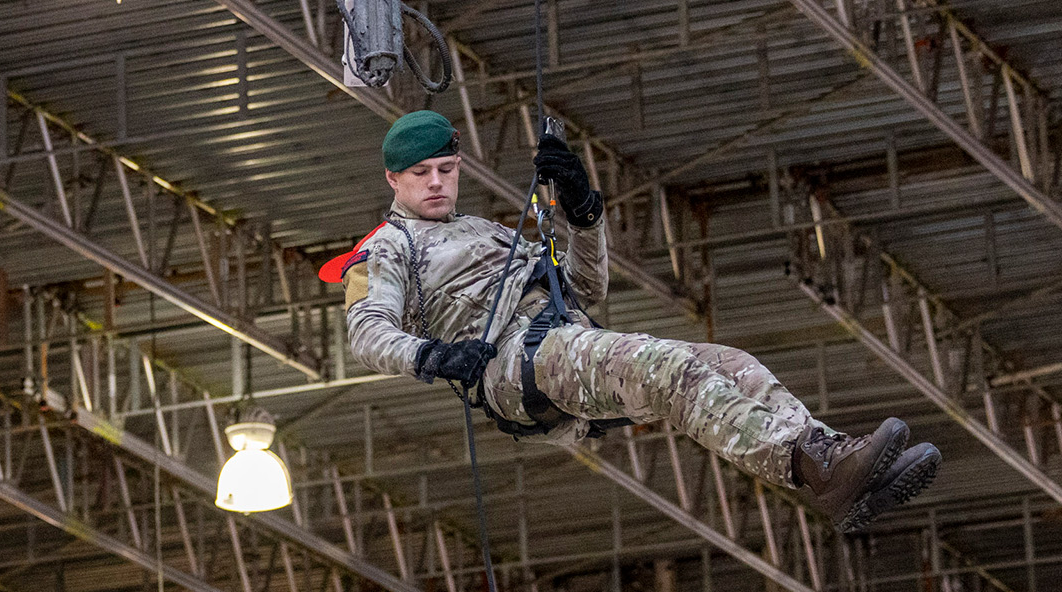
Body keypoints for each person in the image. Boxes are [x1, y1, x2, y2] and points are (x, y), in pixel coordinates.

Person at [336, 110, 940, 532]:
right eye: (421, 175)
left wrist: (584, 214)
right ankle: (819, 467)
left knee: (730, 364)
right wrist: (431, 357)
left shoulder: (488, 231)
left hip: (565, 340)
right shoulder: (389, 247)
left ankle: (827, 462)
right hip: (512, 364)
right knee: (668, 368)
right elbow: (368, 332)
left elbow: (586, 288)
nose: (436, 182)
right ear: (394, 179)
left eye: (445, 168)